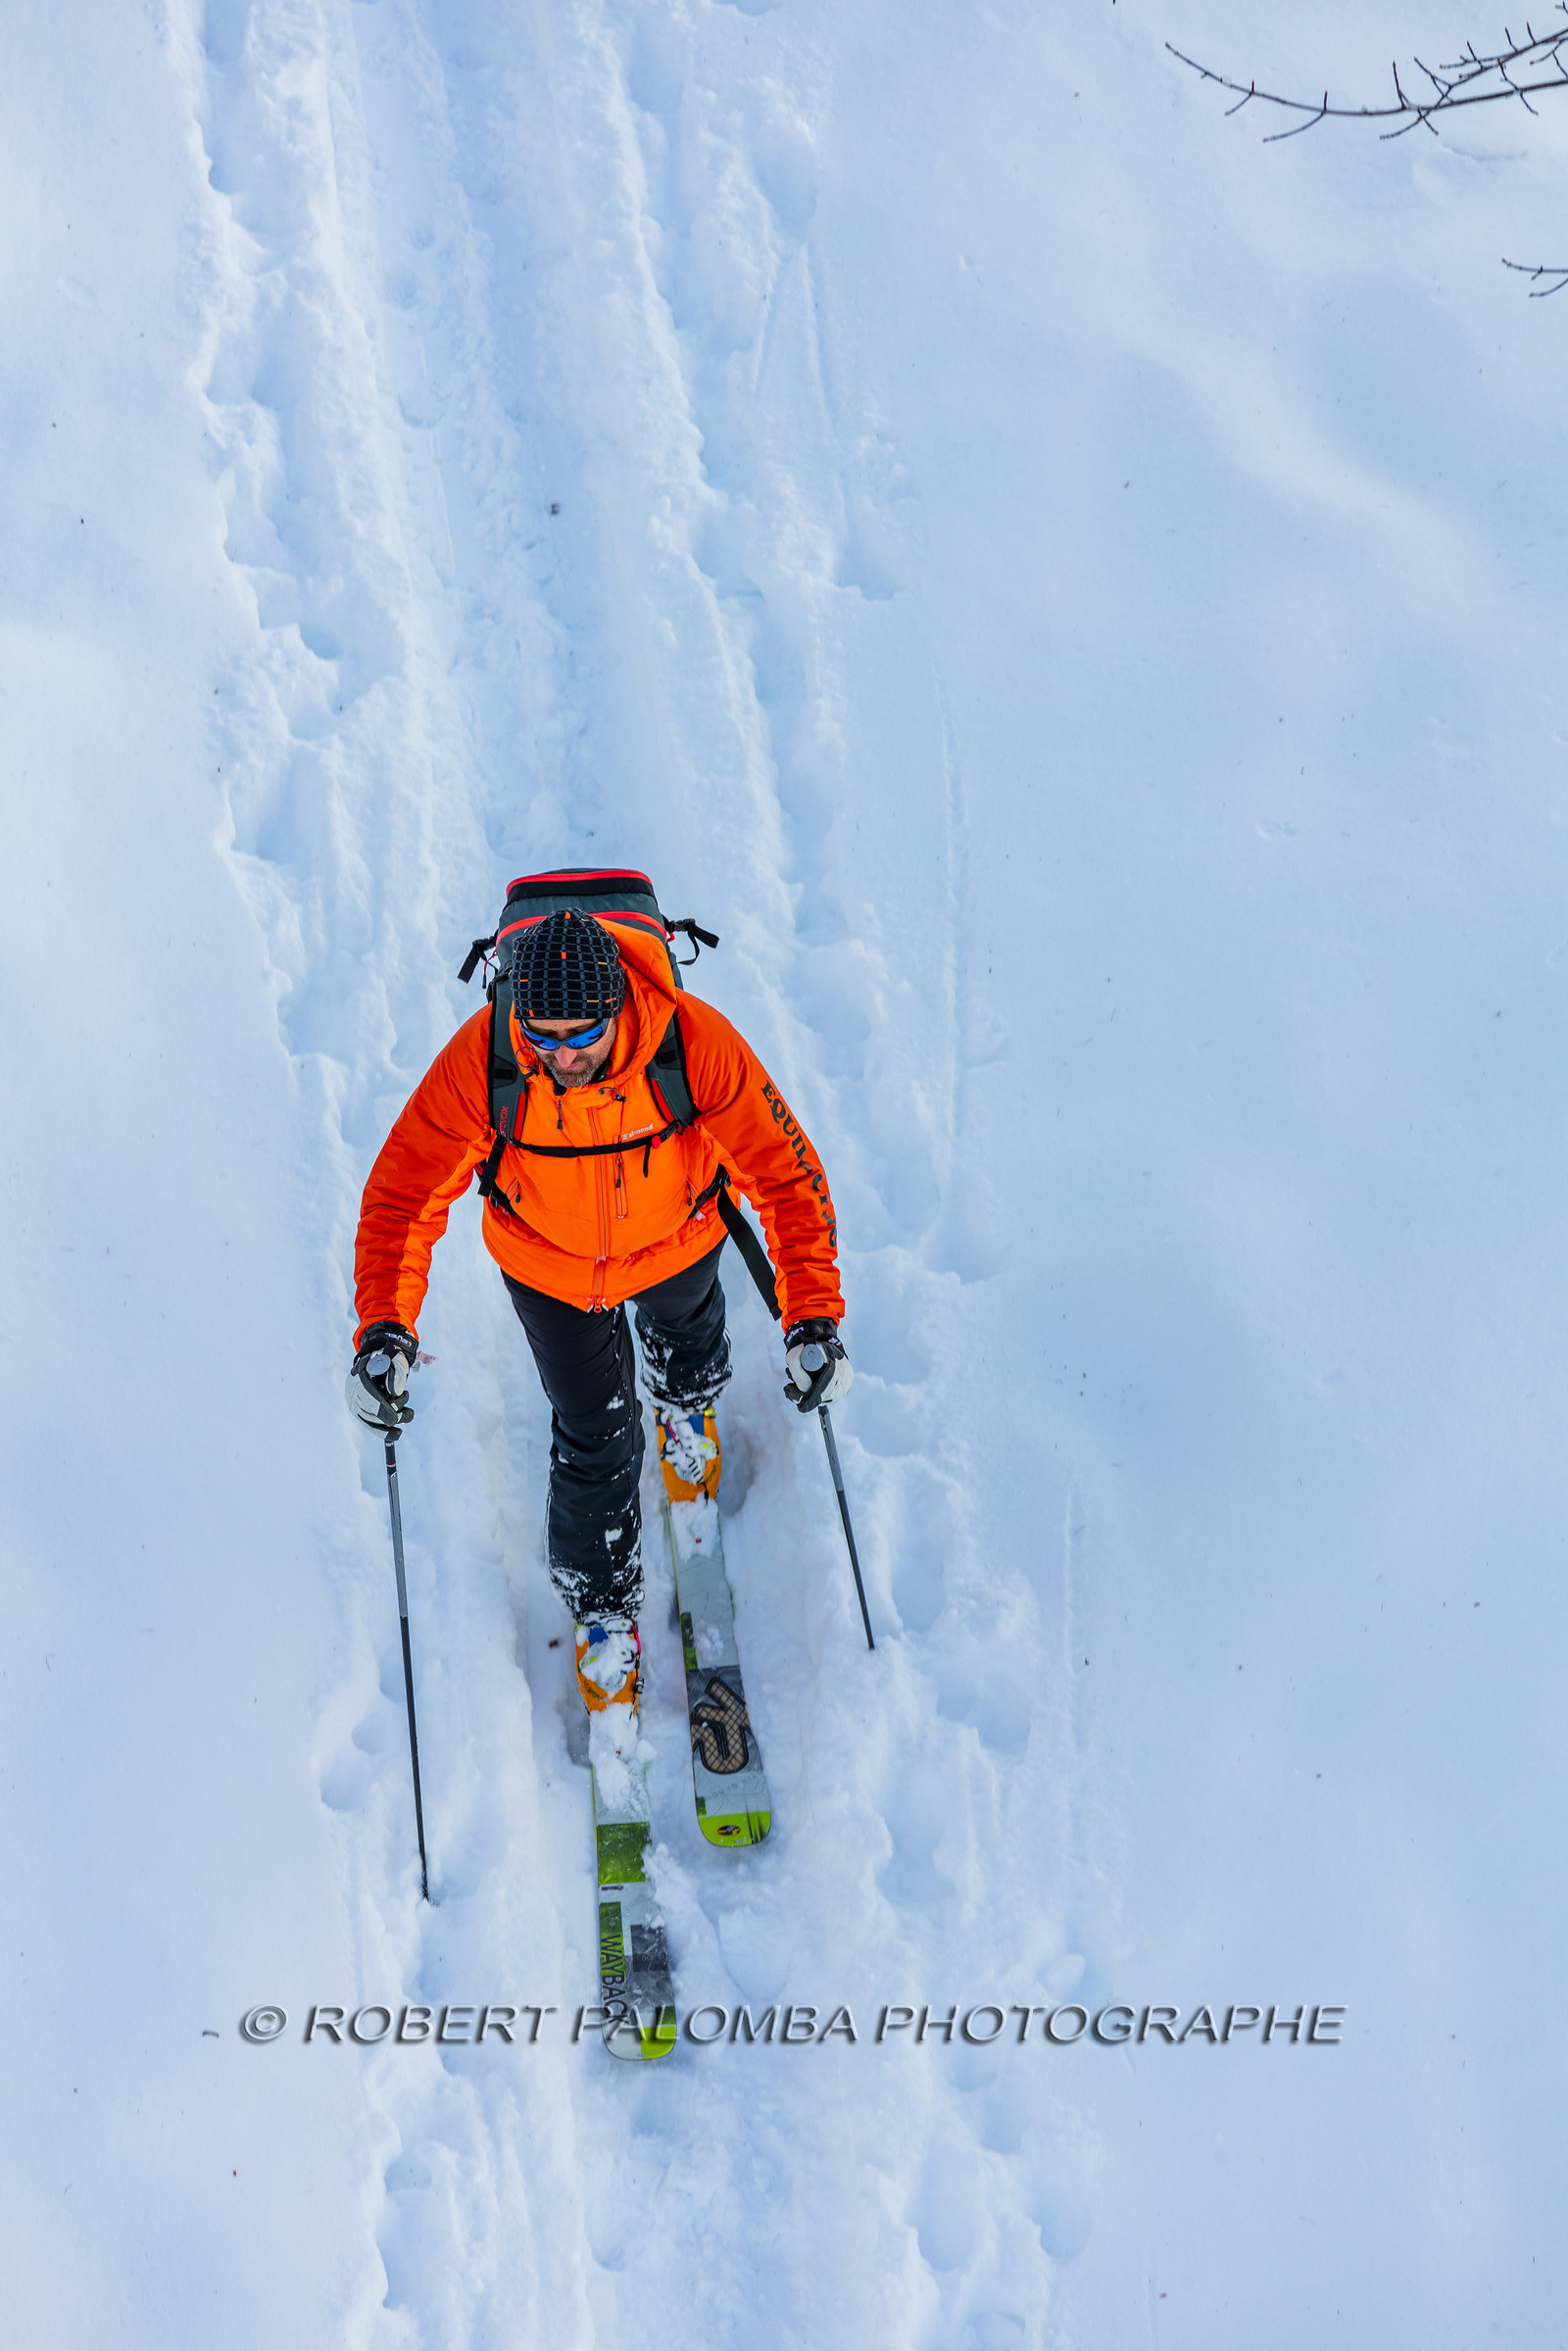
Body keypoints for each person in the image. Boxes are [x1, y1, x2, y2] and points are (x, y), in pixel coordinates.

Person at [346, 904, 851, 1719]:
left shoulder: (693, 1042)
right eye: (541, 1037)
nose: (560, 1057)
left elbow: (786, 1176)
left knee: (689, 1339)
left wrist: (812, 1315)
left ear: (619, 1008)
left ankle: (688, 1418)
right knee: (592, 1434)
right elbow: (403, 1193)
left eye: (580, 1037)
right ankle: (604, 1604)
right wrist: (385, 1327)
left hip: (678, 1235)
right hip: (547, 1264)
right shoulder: (488, 1059)